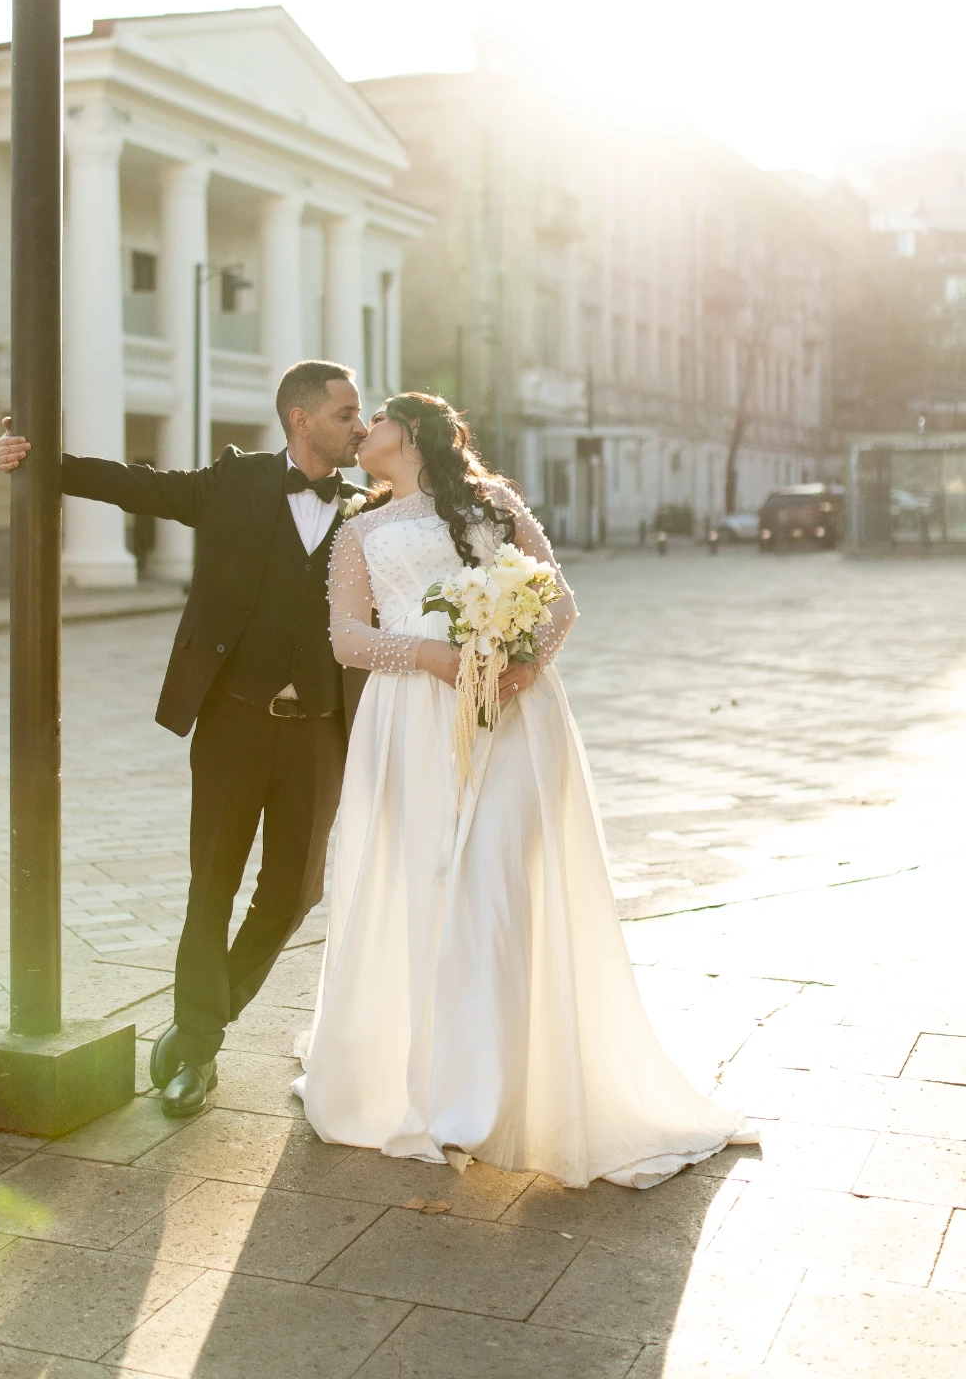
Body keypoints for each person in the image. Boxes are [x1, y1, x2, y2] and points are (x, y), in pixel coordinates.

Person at [297, 392, 754, 1189]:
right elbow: (346, 639)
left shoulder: (493, 505)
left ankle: (504, 1094)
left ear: (412, 432)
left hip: (510, 712)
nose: (363, 429)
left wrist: (520, 667)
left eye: (378, 419)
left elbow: (559, 603)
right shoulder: (358, 530)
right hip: (408, 720)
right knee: (424, 888)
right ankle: (436, 1086)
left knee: (496, 882)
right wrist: (431, 658)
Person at [0, 360, 369, 1118]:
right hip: (233, 724)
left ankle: (197, 1026)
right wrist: (39, 460)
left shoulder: (369, 511)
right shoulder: (235, 483)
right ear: (301, 419)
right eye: (346, 415)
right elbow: (139, 486)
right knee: (212, 887)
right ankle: (195, 1056)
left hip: (321, 735)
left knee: (294, 894)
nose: (359, 428)